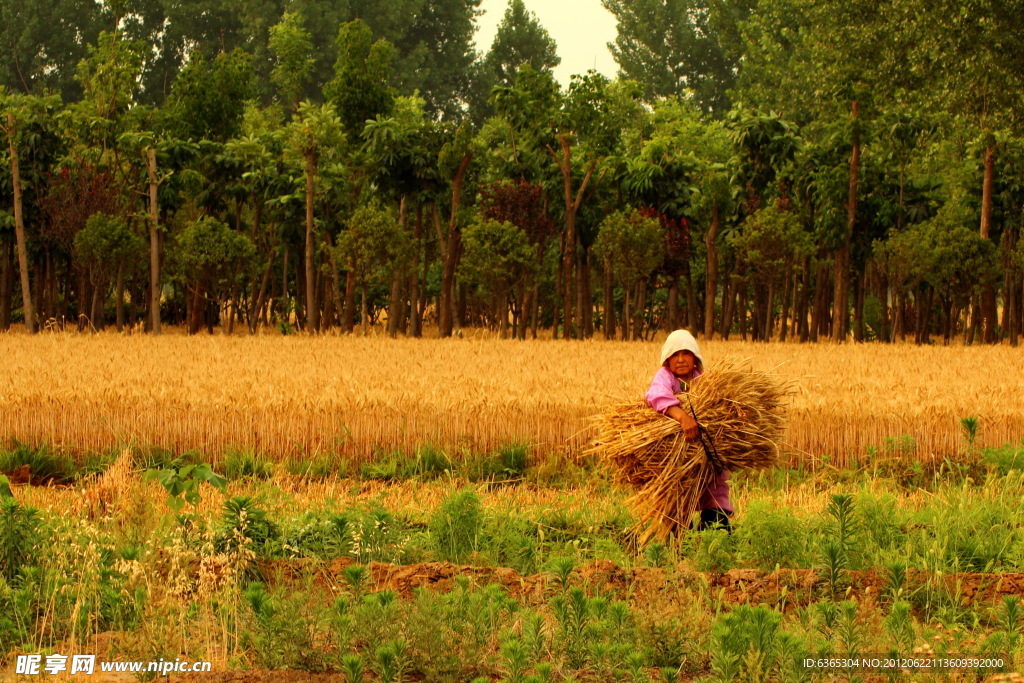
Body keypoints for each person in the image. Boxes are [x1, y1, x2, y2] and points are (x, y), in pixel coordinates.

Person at [644, 329, 733, 532]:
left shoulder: (703, 380)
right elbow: (656, 396)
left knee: (714, 481)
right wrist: (683, 418)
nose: (681, 359)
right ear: (667, 360)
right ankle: (678, 532)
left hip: (703, 450)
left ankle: (714, 526)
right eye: (675, 354)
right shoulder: (664, 377)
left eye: (686, 353)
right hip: (675, 455)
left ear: (695, 358)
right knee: (677, 490)